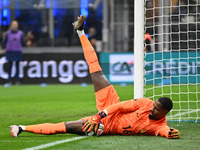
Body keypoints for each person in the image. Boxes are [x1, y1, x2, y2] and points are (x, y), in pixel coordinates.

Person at [9, 15, 180, 139]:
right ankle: (81, 32)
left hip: (105, 126)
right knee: (96, 70)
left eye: (157, 110)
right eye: (154, 106)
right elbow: (121, 106)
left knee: (63, 127)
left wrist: (170, 133)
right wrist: (100, 114)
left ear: (164, 113)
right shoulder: (146, 103)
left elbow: (163, 131)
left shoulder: (158, 125)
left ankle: (21, 128)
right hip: (110, 106)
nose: (152, 109)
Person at [2, 20, 24, 86]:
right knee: (9, 66)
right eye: (13, 24)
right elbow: (4, 42)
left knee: (17, 66)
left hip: (17, 51)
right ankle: (9, 80)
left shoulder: (20, 33)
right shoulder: (8, 33)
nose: (14, 26)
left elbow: (22, 42)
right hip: (10, 51)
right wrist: (4, 48)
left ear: (17, 25)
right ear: (11, 25)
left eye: (16, 24)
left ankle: (17, 80)